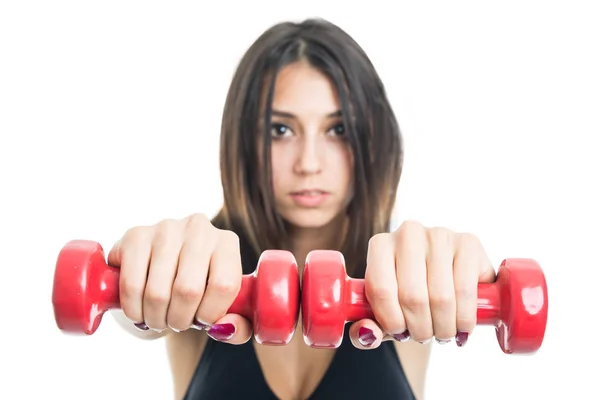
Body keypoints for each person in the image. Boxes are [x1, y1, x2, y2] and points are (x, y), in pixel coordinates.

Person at [107, 18, 496, 400]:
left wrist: (462, 269)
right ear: (243, 142)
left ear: (373, 139)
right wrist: (139, 272)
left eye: (337, 129)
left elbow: (448, 276)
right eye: (281, 130)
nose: (309, 163)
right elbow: (134, 321)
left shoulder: (404, 281)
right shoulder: (196, 273)